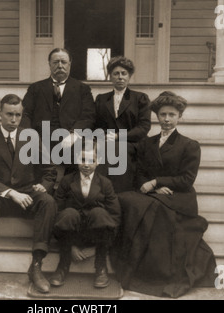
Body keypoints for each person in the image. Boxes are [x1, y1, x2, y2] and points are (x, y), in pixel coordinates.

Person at [111, 91, 217, 298]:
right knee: (126, 200)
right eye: (162, 115)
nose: (167, 120)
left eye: (171, 115)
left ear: (180, 116)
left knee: (151, 209)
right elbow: (140, 171)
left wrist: (157, 181)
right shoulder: (147, 143)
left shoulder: (189, 145)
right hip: (156, 193)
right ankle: (130, 262)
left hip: (179, 197)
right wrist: (151, 186)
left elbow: (187, 179)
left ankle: (156, 273)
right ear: (156, 117)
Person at [0, 94, 57, 297]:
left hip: (28, 193)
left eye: (18, 115)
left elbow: (50, 171)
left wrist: (43, 186)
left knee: (48, 202)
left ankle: (36, 265)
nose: (13, 120)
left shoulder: (31, 138)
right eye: (9, 114)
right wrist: (11, 193)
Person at [50, 141, 121, 288]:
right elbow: (56, 212)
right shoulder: (67, 180)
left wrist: (95, 248)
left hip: (96, 235)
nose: (86, 165)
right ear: (76, 159)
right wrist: (71, 247)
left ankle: (101, 267)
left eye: (91, 160)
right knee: (68, 213)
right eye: (83, 159)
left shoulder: (105, 183)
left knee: (100, 213)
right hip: (70, 234)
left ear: (98, 161)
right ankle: (63, 265)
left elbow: (114, 215)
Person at [21, 48, 96, 184]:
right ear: (49, 64)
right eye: (55, 62)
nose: (60, 65)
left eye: (63, 62)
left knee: (82, 155)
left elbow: (88, 116)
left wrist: (74, 134)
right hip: (41, 139)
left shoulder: (82, 89)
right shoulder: (36, 88)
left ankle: (71, 193)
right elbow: (25, 114)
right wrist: (31, 136)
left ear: (70, 64)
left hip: (70, 139)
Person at [95, 56, 151, 193]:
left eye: (124, 73)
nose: (120, 77)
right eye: (116, 73)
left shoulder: (140, 98)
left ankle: (118, 193)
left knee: (117, 150)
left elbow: (144, 127)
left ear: (129, 76)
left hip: (133, 142)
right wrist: (103, 137)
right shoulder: (102, 99)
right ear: (110, 77)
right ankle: (100, 192)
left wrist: (118, 136)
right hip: (108, 142)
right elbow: (97, 124)